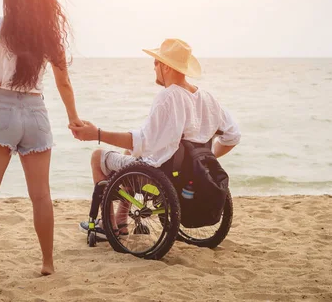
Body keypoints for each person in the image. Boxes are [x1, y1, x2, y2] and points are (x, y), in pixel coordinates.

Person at [0, 0, 83, 279]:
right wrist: (73, 118)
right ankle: (47, 263)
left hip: (1, 111)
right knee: (41, 195)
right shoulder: (47, 34)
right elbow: (63, 82)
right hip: (36, 114)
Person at [70, 38, 241, 239]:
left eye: (155, 63)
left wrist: (96, 134)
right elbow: (232, 136)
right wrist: (202, 161)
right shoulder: (208, 99)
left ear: (166, 67)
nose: (153, 68)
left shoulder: (168, 97)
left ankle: (107, 226)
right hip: (186, 175)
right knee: (129, 154)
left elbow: (140, 141)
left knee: (97, 156)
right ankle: (121, 220)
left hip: (159, 175)